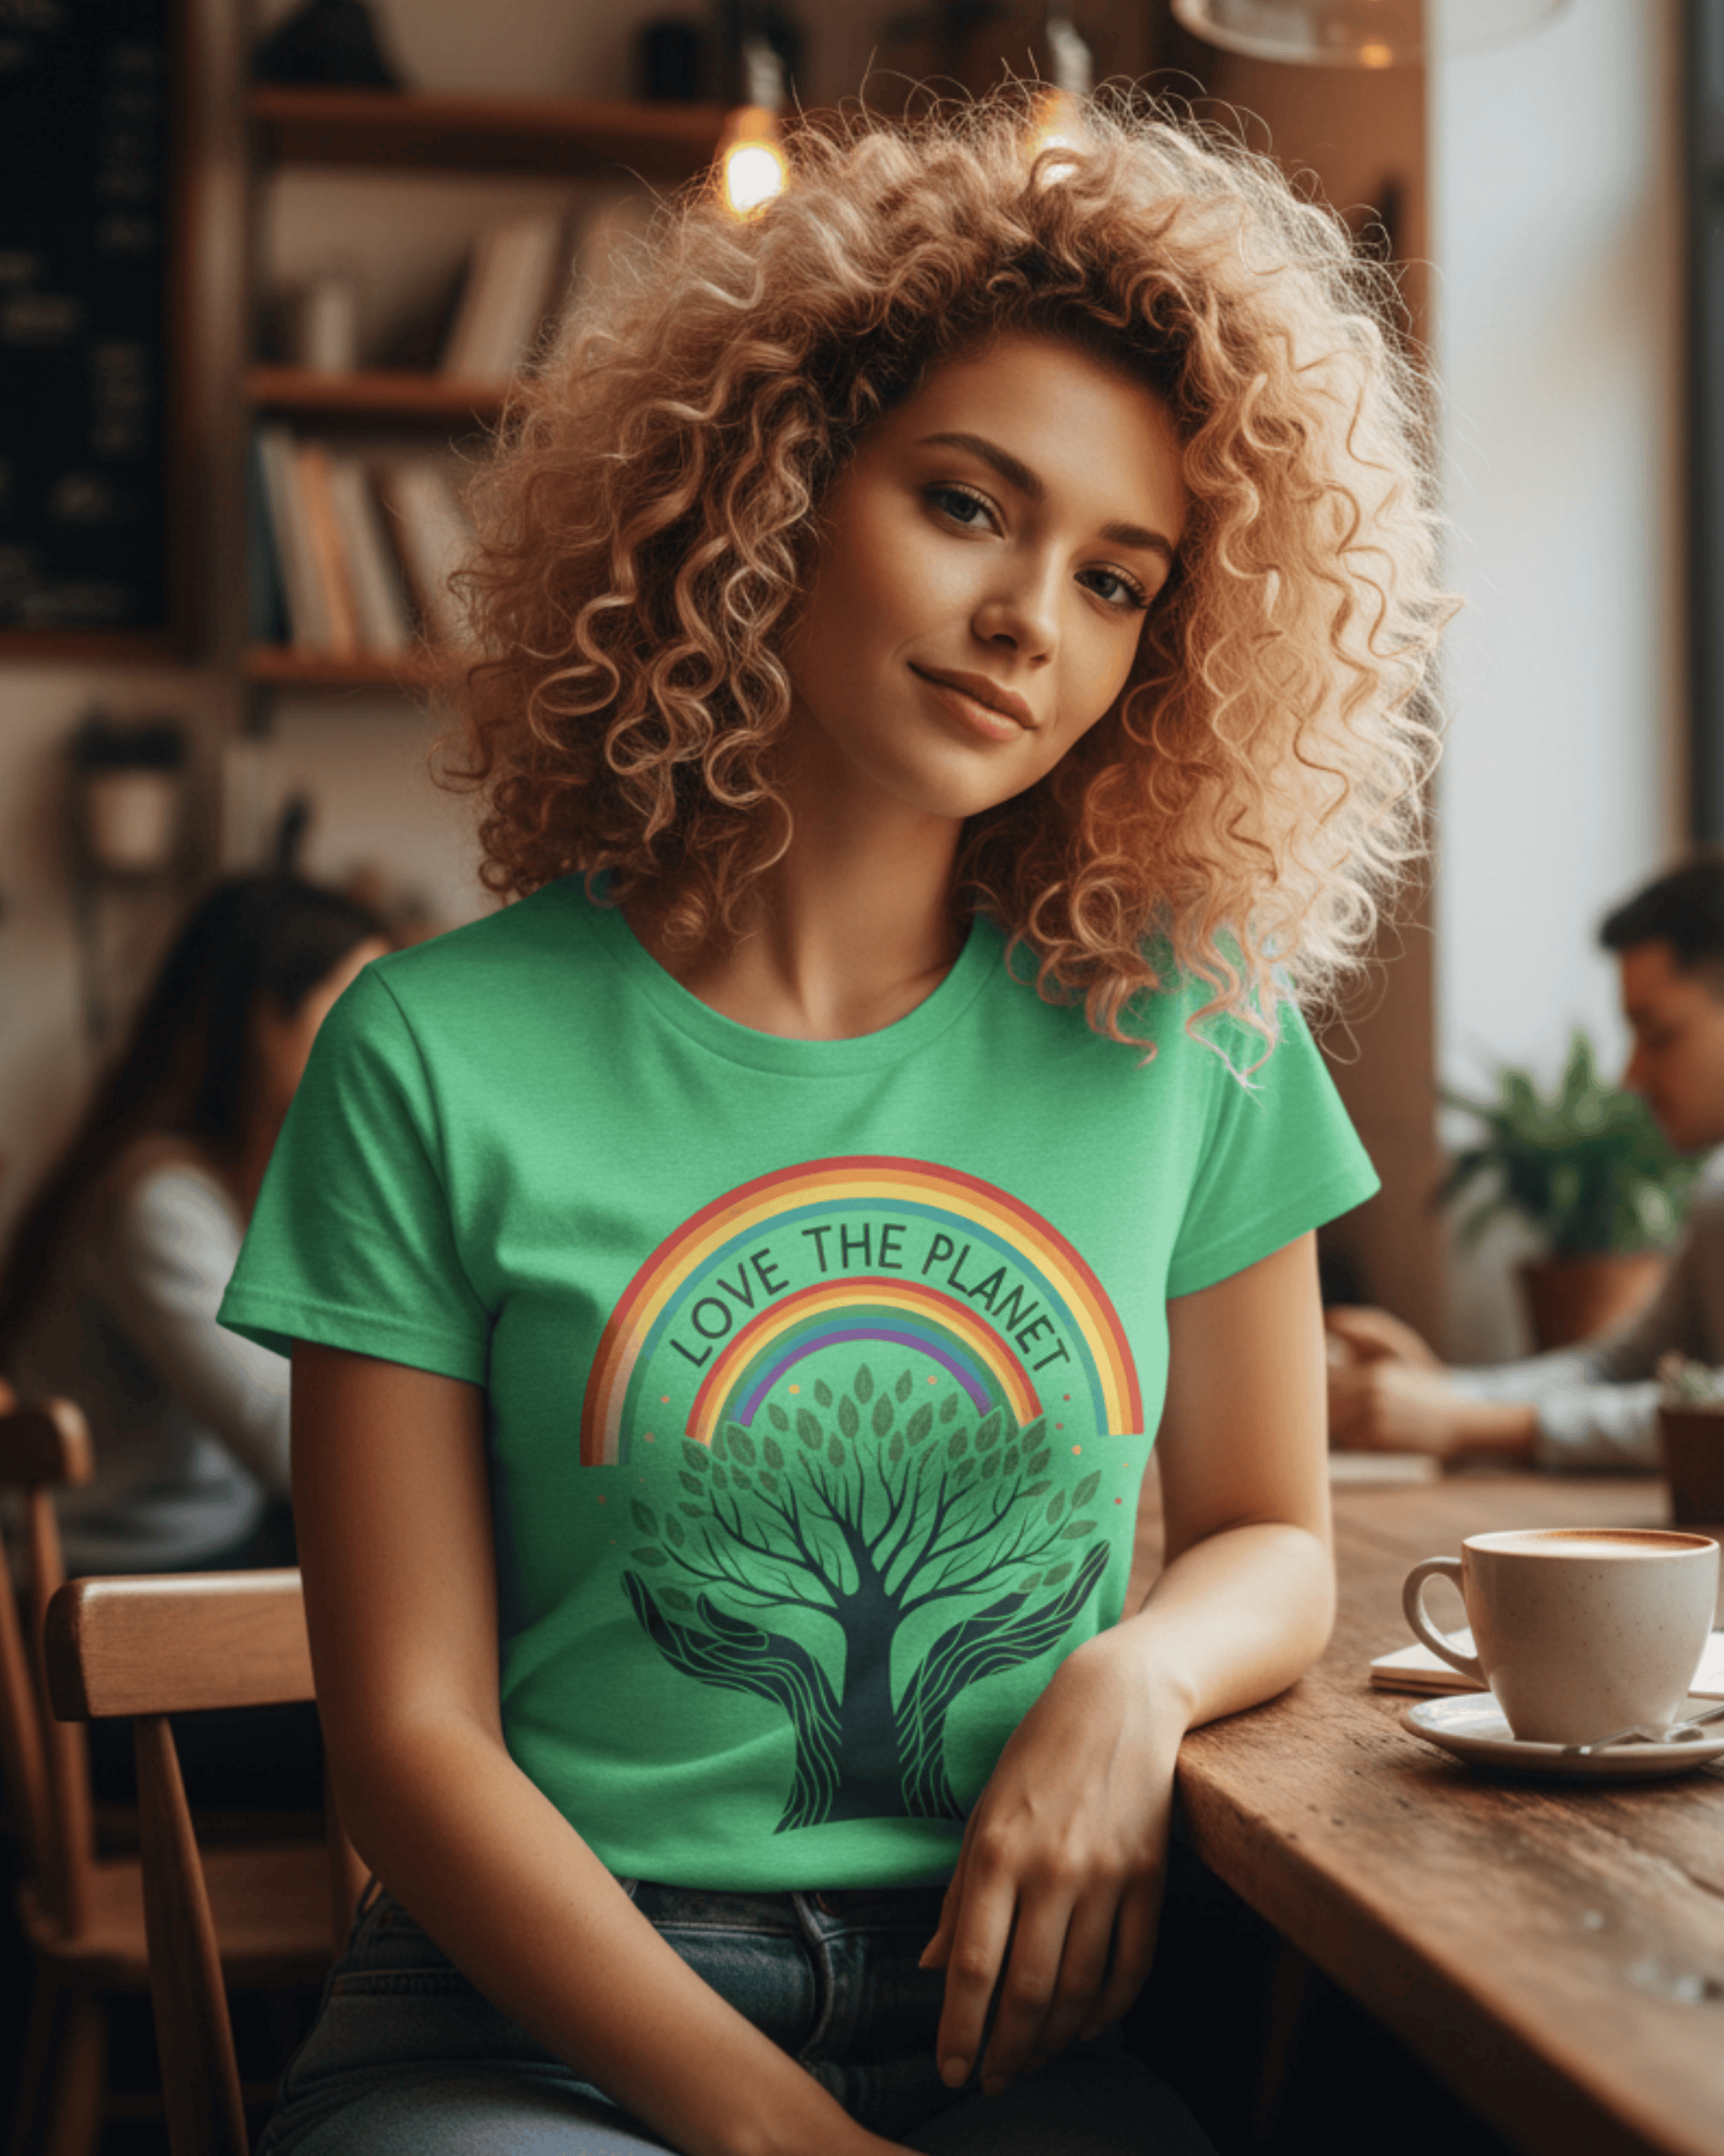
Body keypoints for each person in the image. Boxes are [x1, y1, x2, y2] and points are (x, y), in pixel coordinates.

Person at [218, 92, 1443, 2156]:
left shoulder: (1189, 1023)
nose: (1029, 618)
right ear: (772, 493)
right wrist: (773, 2129)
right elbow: (408, 1746)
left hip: (1027, 2016)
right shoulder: (428, 1053)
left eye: (1121, 580)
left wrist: (1129, 1680)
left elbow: (1273, 1541)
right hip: (539, 2024)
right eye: (969, 505)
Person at [0, 872, 388, 1576]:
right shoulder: (158, 1204)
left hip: (203, 1547)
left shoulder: (238, 1185)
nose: (386, 1046)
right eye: (358, 1007)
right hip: (119, 1581)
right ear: (267, 1021)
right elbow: (290, 1445)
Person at [1327, 855, 1724, 1471]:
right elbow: (1617, 1366)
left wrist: (1471, 1423)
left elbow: (1707, 1415)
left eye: (1659, 1033)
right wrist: (1443, 1393)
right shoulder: (1717, 1194)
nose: (1631, 1074)